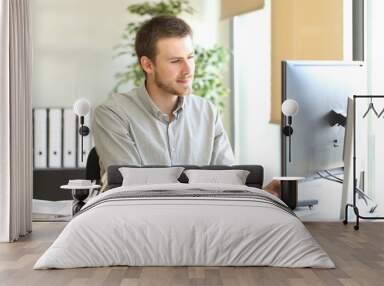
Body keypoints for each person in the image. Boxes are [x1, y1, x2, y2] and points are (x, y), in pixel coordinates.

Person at [92, 15, 279, 197]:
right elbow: (129, 189)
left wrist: (260, 194)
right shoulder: (113, 114)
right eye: (176, 61)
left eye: (190, 57)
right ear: (148, 65)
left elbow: (227, 182)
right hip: (136, 221)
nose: (188, 70)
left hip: (199, 221)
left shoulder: (207, 112)